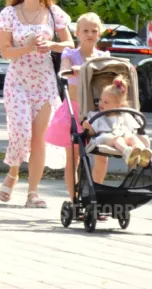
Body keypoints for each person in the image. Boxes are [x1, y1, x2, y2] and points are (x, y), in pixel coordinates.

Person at [0, 0, 74, 209]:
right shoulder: (9, 14)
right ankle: (13, 172)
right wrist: (27, 47)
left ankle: (33, 193)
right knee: (21, 133)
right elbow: (5, 51)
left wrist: (51, 45)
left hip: (45, 82)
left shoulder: (53, 13)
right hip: (18, 82)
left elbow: (70, 43)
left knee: (39, 139)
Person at [44, 12, 109, 201]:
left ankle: (94, 196)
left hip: (96, 113)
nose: (90, 34)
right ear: (77, 33)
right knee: (73, 157)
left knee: (102, 155)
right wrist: (70, 69)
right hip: (74, 111)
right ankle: (75, 199)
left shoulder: (103, 57)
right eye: (85, 31)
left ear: (99, 34)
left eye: (94, 31)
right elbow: (64, 70)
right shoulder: (71, 54)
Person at [82, 79, 152, 167]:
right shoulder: (96, 115)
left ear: (119, 106)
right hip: (105, 138)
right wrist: (88, 127)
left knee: (132, 138)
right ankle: (127, 152)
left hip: (123, 136)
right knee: (117, 139)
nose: (101, 103)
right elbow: (92, 132)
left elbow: (133, 129)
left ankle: (141, 152)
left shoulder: (124, 115)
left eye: (106, 102)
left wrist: (133, 137)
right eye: (100, 100)